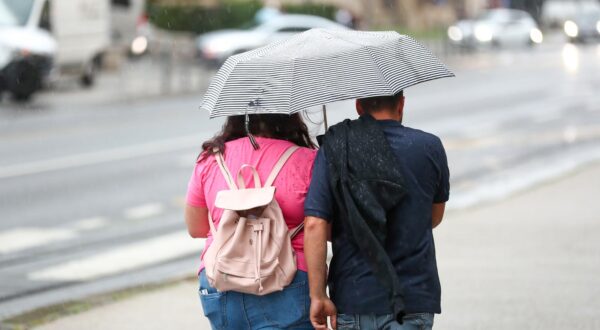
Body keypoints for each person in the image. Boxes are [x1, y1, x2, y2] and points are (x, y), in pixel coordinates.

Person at [304, 90, 450, 330]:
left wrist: (317, 295)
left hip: (353, 297)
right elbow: (433, 217)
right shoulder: (429, 146)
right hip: (412, 298)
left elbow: (315, 224)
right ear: (401, 104)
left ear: (359, 106)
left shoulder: (336, 146)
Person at [185, 113, 317, 329]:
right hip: (288, 279)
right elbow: (324, 229)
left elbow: (195, 228)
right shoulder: (308, 160)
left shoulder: (211, 159)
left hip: (222, 279)